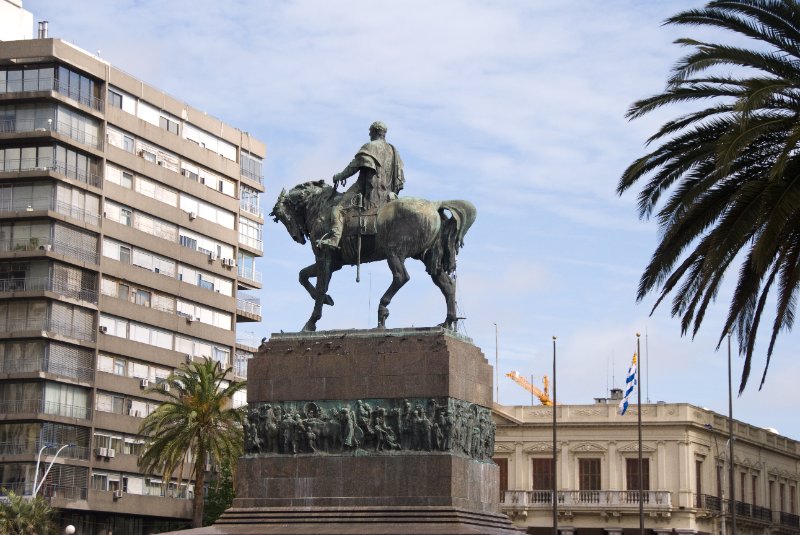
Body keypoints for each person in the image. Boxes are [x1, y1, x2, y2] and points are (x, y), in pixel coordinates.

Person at [317, 121, 405, 249]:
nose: (369, 133)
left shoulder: (370, 146)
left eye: (370, 131)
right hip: (388, 193)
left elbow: (354, 167)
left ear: (375, 131)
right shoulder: (393, 150)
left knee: (337, 209)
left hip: (367, 190)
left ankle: (334, 239)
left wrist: (339, 176)